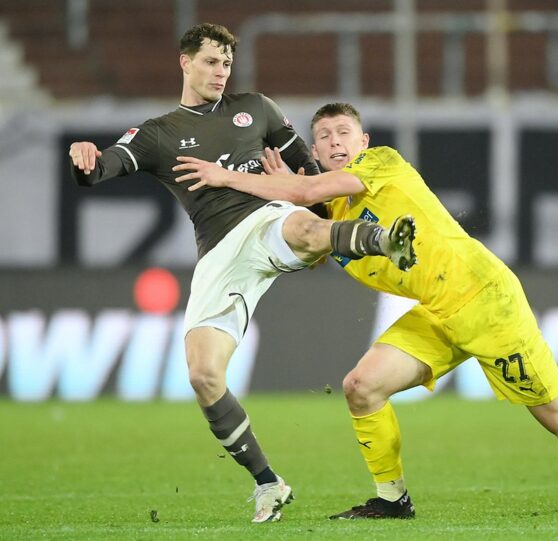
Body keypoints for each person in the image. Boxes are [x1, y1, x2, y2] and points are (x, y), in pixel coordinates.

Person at [173, 102, 558, 518]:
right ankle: (391, 500)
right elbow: (303, 241)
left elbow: (310, 186)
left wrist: (235, 179)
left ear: (364, 142)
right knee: (362, 386)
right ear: (314, 147)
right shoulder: (332, 217)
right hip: (438, 314)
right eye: (324, 137)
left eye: (343, 134)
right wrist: (283, 199)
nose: (335, 142)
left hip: (487, 303)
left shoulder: (381, 164)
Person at [68, 27, 416, 524]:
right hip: (218, 251)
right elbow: (98, 171)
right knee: (203, 374)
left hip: (269, 218)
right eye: (210, 62)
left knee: (297, 224)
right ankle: (269, 484)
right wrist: (84, 159)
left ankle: (384, 240)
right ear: (184, 62)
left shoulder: (258, 109)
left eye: (226, 63)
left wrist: (293, 184)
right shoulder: (159, 133)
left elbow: (313, 187)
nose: (220, 72)